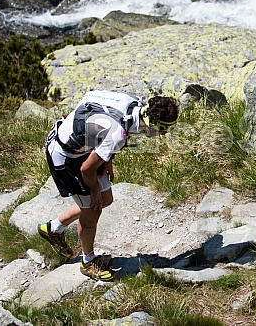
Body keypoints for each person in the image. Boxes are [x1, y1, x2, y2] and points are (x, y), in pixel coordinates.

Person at [38, 90, 178, 281]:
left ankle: (53, 229)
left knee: (106, 199)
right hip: (66, 157)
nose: (162, 135)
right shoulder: (118, 134)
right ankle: (88, 261)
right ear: (153, 125)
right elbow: (86, 169)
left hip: (78, 143)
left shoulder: (133, 102)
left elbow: (89, 96)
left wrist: (106, 157)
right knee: (93, 209)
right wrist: (93, 189)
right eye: (163, 130)